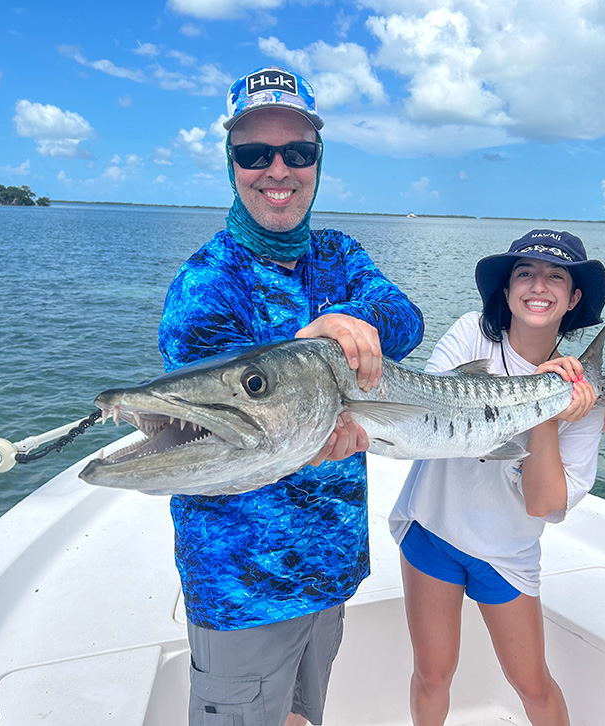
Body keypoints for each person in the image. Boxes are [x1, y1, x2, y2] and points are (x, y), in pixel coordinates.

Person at [158, 66, 424, 726]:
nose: (278, 170)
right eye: (255, 153)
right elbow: (224, 445)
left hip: (330, 567)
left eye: (297, 152)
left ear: (317, 162)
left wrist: (353, 320)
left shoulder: (337, 254)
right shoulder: (206, 285)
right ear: (232, 165)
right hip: (243, 586)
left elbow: (406, 318)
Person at [389, 229, 605, 726]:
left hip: (506, 552)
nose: (538, 285)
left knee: (532, 684)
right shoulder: (472, 334)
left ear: (574, 298)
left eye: (556, 277)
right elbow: (430, 414)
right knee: (432, 675)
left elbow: (542, 503)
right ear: (506, 290)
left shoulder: (582, 397)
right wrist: (539, 390)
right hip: (434, 530)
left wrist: (549, 407)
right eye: (524, 273)